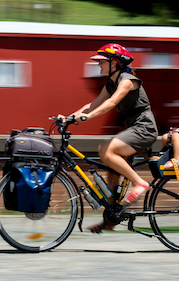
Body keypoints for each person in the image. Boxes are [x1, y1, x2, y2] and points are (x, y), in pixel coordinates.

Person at [59, 43, 158, 233]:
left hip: (144, 128)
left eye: (102, 62)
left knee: (106, 149)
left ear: (115, 63)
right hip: (131, 128)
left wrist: (87, 117)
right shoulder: (110, 83)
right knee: (111, 171)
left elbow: (112, 102)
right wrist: (70, 117)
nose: (99, 65)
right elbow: (93, 104)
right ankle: (112, 215)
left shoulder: (128, 80)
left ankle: (140, 183)